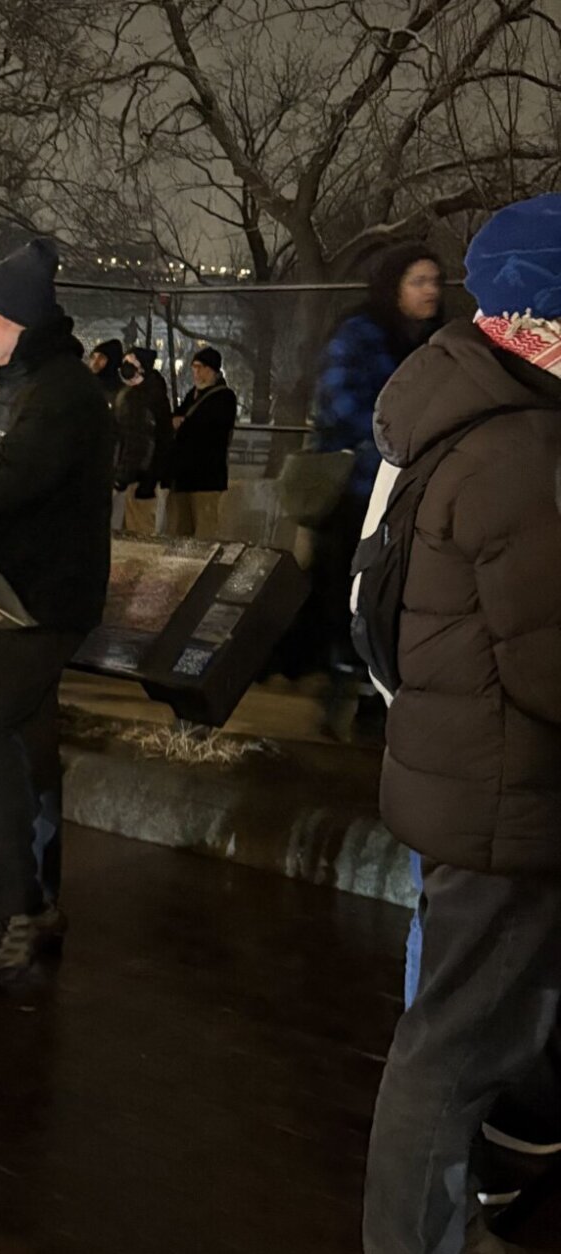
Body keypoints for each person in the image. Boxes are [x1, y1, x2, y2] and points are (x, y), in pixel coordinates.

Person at [361, 193, 561, 1254]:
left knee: (469, 1032)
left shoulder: (464, 404)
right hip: (499, 792)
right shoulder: (519, 447)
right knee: (448, 1051)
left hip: (467, 773)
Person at [0, 239, 113, 990]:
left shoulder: (63, 392)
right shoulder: (7, 380)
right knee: (29, 743)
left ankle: (13, 911)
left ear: (19, 317)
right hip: (12, 596)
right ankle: (39, 901)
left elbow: (8, 481)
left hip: (41, 604)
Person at [305, 243, 445, 686]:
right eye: (418, 281)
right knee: (349, 590)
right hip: (358, 490)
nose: (430, 291)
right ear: (394, 286)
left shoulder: (434, 341)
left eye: (435, 281)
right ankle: (344, 672)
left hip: (406, 492)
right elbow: (339, 402)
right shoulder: (360, 333)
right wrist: (397, 436)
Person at [164, 345, 237, 538]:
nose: (195, 372)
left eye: (199, 367)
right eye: (193, 367)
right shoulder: (193, 394)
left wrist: (183, 424)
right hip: (184, 476)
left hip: (206, 477)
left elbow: (211, 428)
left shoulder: (224, 397)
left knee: (204, 531)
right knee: (180, 530)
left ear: (211, 369)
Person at [113, 346, 173, 533]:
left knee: (137, 536)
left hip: (139, 481)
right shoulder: (150, 393)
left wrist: (121, 479)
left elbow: (138, 442)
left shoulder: (138, 399)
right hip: (144, 479)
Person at [87, 338, 123, 404]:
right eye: (93, 357)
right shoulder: (84, 384)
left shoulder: (120, 394)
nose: (95, 362)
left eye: (101, 358)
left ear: (112, 362)